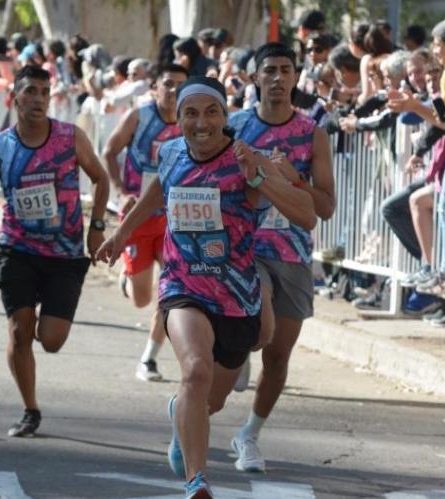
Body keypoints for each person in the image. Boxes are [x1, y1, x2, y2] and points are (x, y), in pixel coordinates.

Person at [95, 76, 316, 498]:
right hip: (184, 283)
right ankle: (197, 480)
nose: (201, 123)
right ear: (177, 119)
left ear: (224, 116)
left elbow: (306, 214)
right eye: (190, 114)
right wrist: (122, 234)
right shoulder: (173, 150)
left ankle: (182, 417)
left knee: (209, 400)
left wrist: (260, 178)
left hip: (235, 292)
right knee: (195, 369)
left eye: (211, 112)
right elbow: (160, 186)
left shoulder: (243, 158)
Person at [0, 65, 110, 438]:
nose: (39, 99)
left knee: (51, 340)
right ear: (15, 98)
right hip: (17, 249)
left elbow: (101, 177)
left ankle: (41, 329)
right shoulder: (1, 147)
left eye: (45, 93)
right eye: (31, 91)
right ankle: (30, 409)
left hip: (64, 254)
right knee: (19, 329)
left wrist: (96, 229)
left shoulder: (69, 138)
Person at [226, 43, 335, 473]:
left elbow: (325, 207)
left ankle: (249, 434)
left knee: (278, 356)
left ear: (295, 78)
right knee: (260, 327)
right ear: (255, 78)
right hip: (245, 249)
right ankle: (239, 347)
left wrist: (295, 180)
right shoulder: (233, 127)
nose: (277, 77)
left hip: (292, 252)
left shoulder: (312, 134)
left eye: (285, 70)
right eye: (268, 70)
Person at [102, 63, 189, 381]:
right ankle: (128, 277)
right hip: (138, 215)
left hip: (174, 219)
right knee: (141, 299)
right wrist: (120, 191)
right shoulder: (140, 116)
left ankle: (148, 359)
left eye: (181, 85)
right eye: (168, 84)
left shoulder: (191, 120)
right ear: (155, 88)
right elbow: (110, 150)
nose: (174, 91)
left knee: (172, 291)